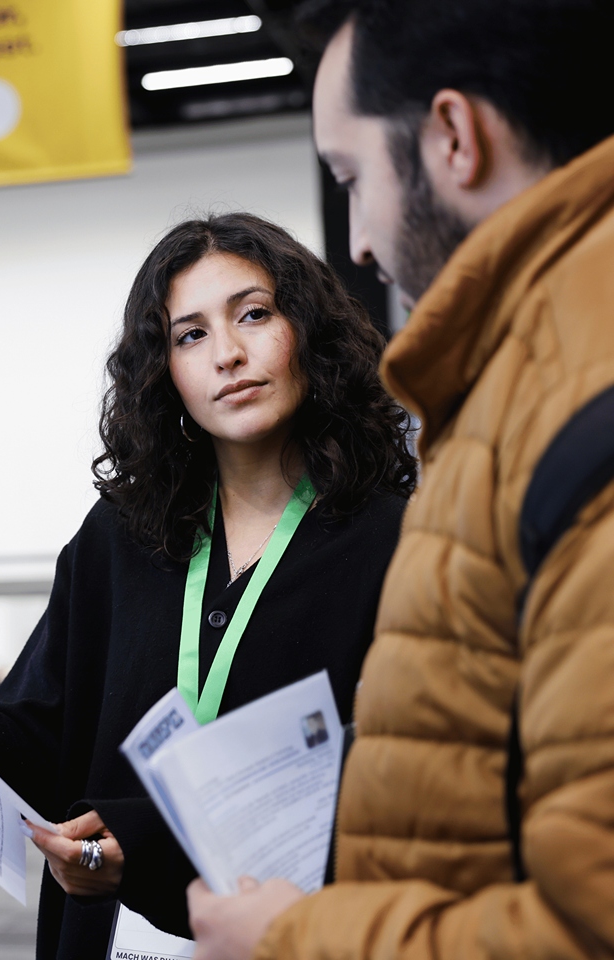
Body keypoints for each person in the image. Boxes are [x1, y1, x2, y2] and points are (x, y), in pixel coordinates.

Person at [185, 2, 614, 958]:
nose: (363, 239)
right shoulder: (520, 383)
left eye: (350, 176)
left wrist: (295, 939)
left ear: (455, 138)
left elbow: (590, 924)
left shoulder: (579, 408)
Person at [0, 212, 416, 960]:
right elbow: (43, 739)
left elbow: (396, 788)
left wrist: (145, 844)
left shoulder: (396, 543)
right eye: (190, 335)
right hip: (108, 936)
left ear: (308, 331)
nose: (228, 355)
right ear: (163, 371)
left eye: (254, 315)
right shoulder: (121, 538)